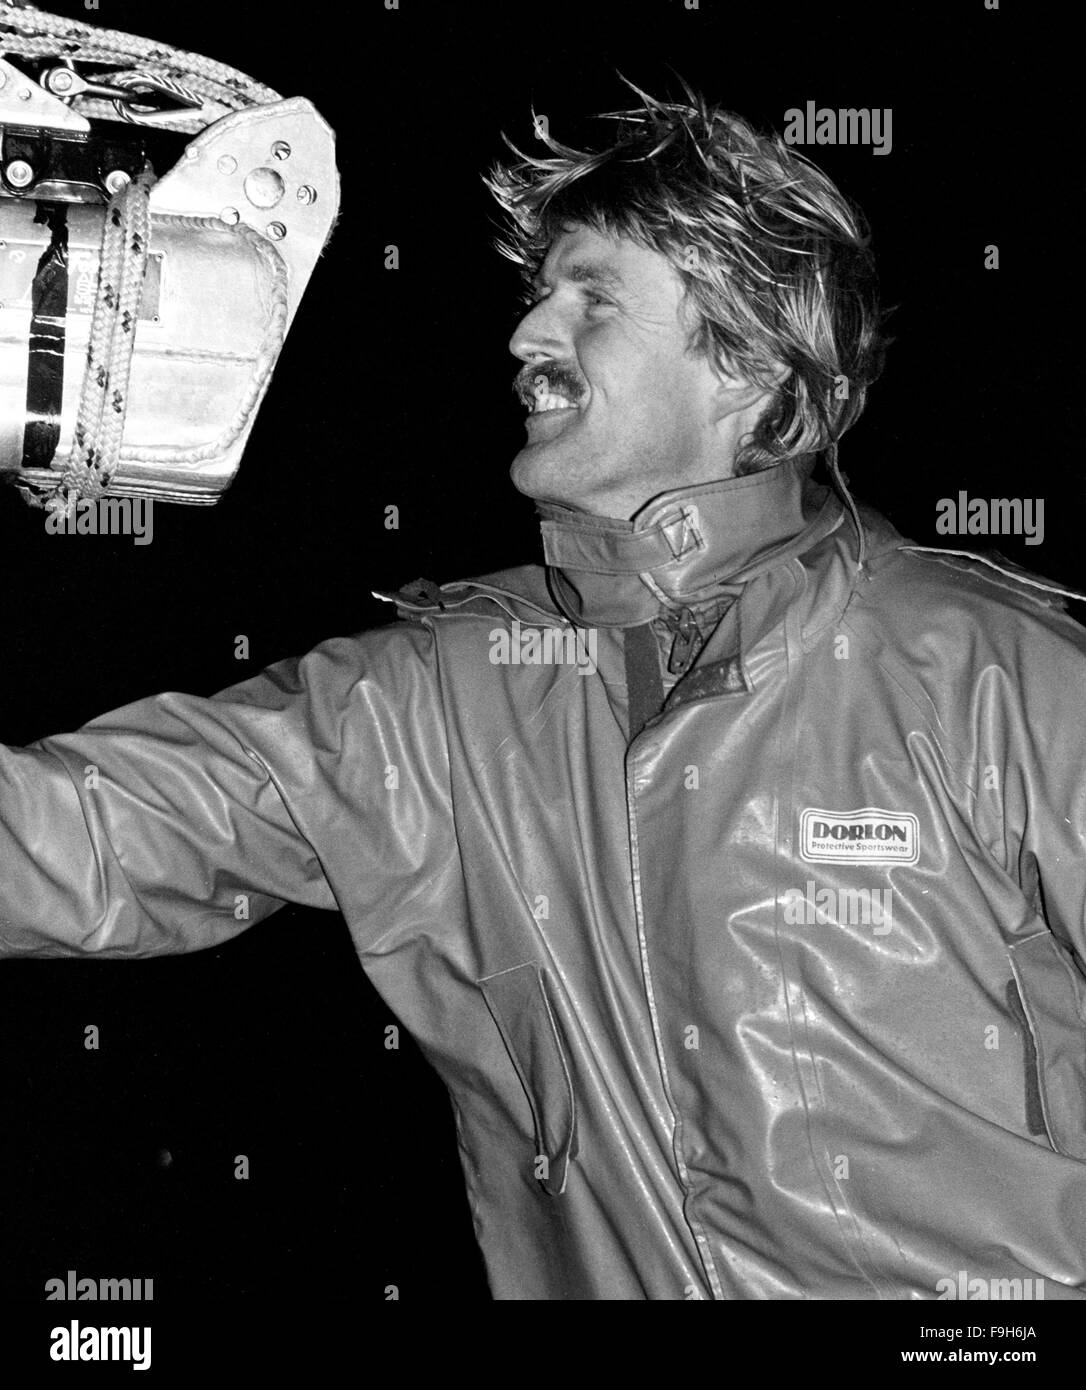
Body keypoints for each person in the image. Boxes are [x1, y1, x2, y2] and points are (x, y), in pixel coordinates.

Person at [3, 80, 1086, 1302]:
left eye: (592, 298)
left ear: (745, 363)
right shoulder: (438, 699)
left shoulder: (998, 671)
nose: (527, 334)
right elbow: (80, 834)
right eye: (536, 294)